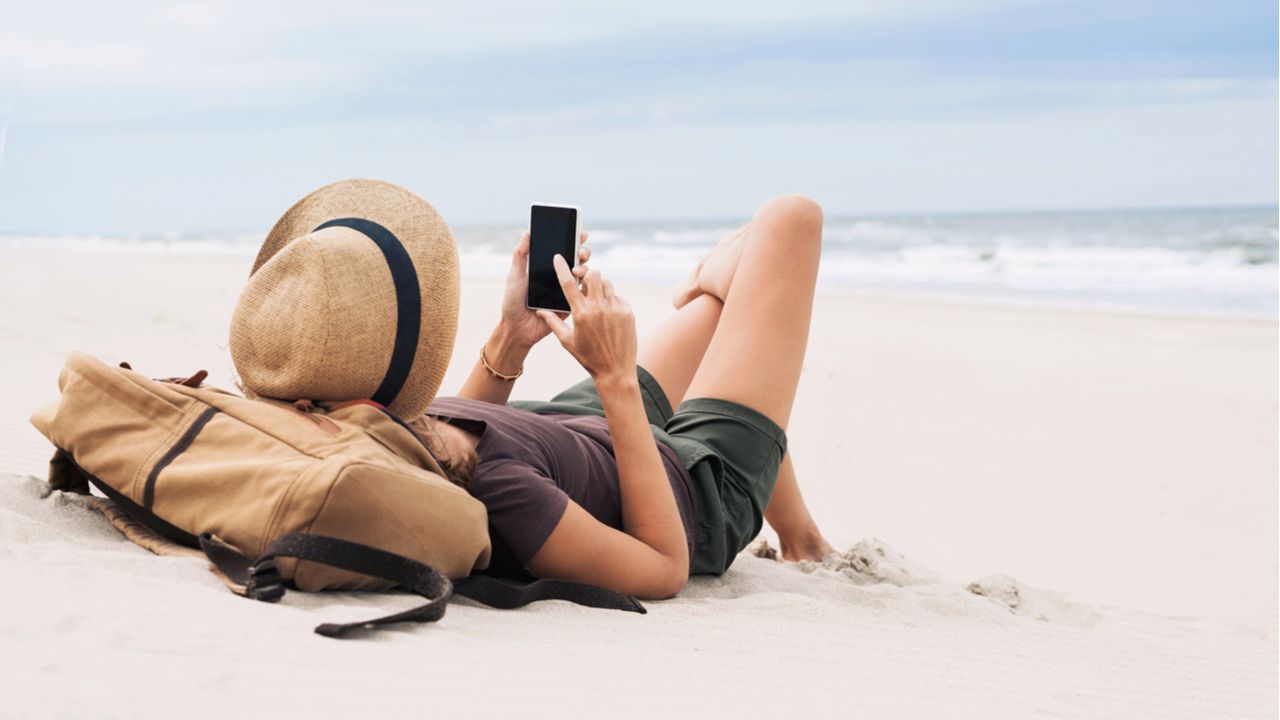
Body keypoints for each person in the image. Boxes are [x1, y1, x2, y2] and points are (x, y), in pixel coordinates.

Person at [410, 195, 834, 599]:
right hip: (684, 485)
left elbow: (451, 442)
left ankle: (802, 538)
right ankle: (803, 541)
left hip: (562, 425)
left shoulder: (371, 421)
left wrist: (511, 336)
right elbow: (665, 568)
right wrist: (614, 378)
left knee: (743, 286)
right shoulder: (505, 491)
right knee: (790, 220)